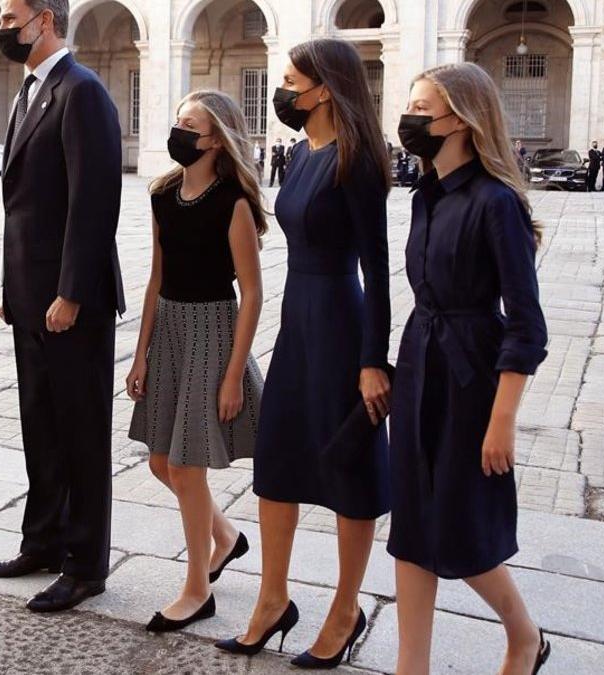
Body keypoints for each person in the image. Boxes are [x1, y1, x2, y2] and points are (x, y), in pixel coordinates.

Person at [217, 38, 392, 669]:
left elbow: (377, 267)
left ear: (325, 89)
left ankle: (345, 609)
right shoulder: (298, 154)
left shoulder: (358, 160)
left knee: (350, 467)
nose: (282, 91)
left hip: (343, 323)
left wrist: (375, 361)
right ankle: (271, 600)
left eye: (292, 81)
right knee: (279, 461)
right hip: (298, 320)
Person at [389, 62, 551, 675]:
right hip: (419, 364)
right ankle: (412, 667)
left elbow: (526, 323)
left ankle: (524, 636)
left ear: (461, 118)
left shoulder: (496, 203)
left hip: (471, 378)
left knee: (463, 531)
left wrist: (502, 419)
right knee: (410, 526)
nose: (411, 119)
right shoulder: (424, 196)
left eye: (423, 107)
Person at [0, 0, 126, 615]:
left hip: (71, 299)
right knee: (39, 422)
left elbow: (94, 202)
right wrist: (15, 289)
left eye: (12, 17)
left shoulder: (82, 91)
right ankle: (42, 540)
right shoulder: (30, 92)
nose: (4, 29)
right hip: (30, 295)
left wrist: (70, 291)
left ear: (46, 19)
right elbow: (26, 204)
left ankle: (86, 562)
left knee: (80, 430)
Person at [127, 89, 266, 634]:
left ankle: (196, 590)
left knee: (186, 466)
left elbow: (251, 294)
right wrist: (139, 354)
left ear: (216, 139)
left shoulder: (232, 201)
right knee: (162, 463)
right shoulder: (163, 193)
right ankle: (226, 537)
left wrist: (234, 375)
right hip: (169, 329)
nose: (179, 132)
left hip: (212, 330)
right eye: (178, 120)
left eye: (191, 125)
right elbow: (156, 275)